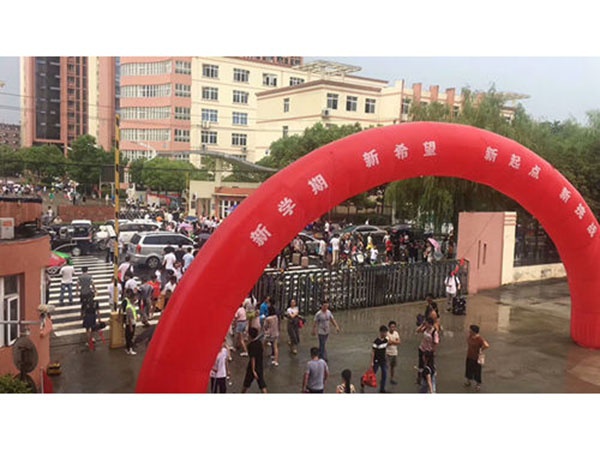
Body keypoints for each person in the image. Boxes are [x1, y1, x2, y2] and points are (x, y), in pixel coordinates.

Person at [241, 327, 267, 393]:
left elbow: (252, 358)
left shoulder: (251, 345)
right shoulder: (259, 343)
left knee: (246, 384)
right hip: (260, 365)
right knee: (262, 384)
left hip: (252, 368)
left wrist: (253, 370)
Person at [465, 324, 490, 392]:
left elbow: (486, 345)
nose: (469, 331)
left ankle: (478, 384)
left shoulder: (479, 339)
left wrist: (481, 349)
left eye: (470, 330)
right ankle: (468, 380)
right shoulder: (470, 336)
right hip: (469, 355)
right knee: (468, 368)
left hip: (477, 357)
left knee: (477, 371)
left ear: (474, 331)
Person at [416, 317, 439, 384]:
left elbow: (436, 342)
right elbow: (417, 331)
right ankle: (420, 378)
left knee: (429, 365)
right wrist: (422, 325)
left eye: (426, 323)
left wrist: (432, 351)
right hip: (422, 348)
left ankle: (429, 378)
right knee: (421, 364)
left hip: (429, 351)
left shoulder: (434, 332)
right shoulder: (425, 328)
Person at [369, 325, 389, 393]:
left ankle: (382, 389)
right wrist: (372, 362)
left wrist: (386, 359)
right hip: (376, 361)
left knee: (384, 375)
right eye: (384, 332)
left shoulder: (386, 340)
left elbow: (385, 350)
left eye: (386, 332)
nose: (385, 334)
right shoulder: (376, 341)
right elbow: (373, 352)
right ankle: (363, 380)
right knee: (372, 374)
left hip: (383, 360)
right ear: (381, 332)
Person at [123, 289, 138, 355]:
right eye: (134, 298)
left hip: (132, 323)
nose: (135, 299)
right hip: (130, 324)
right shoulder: (129, 306)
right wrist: (131, 326)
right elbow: (129, 318)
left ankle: (128, 349)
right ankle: (130, 349)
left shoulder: (132, 305)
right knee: (130, 337)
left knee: (128, 336)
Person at [386, 320, 401, 385]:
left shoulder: (396, 333)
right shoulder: (387, 334)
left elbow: (399, 342)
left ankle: (392, 379)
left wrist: (392, 341)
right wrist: (394, 342)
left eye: (394, 327)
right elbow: (387, 342)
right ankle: (384, 378)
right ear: (389, 327)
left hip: (394, 353)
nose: (392, 328)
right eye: (391, 327)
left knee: (393, 367)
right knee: (386, 367)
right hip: (387, 353)